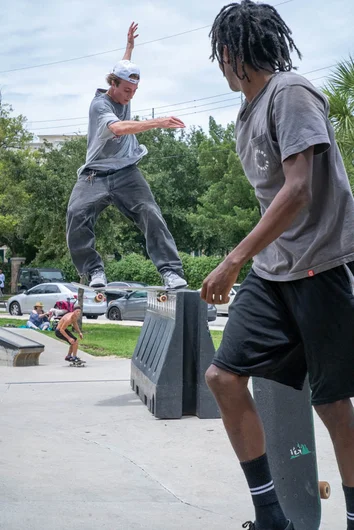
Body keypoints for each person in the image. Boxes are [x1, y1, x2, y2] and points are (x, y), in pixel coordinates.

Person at [201, 2, 354, 529]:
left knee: (332, 404)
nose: (219, 66)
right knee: (223, 377)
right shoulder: (250, 110)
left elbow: (298, 191)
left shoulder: (289, 93)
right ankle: (272, 518)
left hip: (322, 267)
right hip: (275, 272)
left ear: (232, 52)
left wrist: (232, 260)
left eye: (220, 55)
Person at [67, 22, 187, 291]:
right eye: (126, 91)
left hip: (127, 173)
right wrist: (158, 122)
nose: (129, 96)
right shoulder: (100, 105)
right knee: (76, 213)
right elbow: (118, 128)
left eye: (134, 92)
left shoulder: (125, 87)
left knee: (150, 212)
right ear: (113, 84)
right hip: (94, 175)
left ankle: (170, 272)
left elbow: (124, 64)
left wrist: (130, 46)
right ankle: (94, 269)